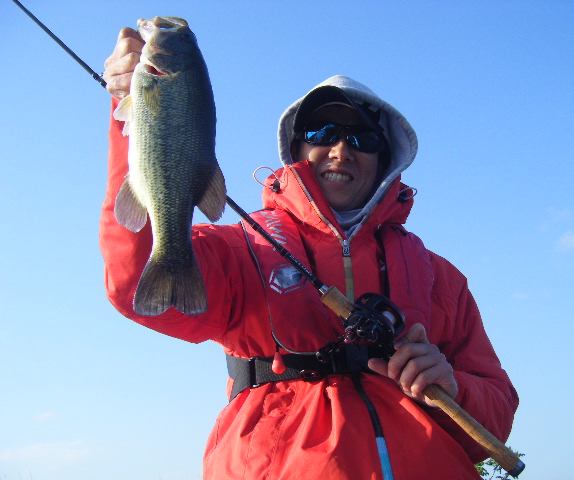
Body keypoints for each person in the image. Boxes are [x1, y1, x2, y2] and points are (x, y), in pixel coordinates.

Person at [101, 26, 518, 480]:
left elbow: (496, 418)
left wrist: (452, 388)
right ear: (296, 149)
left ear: (386, 157)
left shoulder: (441, 278)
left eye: (362, 138)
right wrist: (131, 119)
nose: (340, 150)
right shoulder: (241, 250)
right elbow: (134, 281)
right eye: (322, 132)